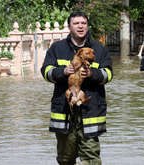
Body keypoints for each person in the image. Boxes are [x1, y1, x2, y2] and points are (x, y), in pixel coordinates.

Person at [41, 11, 113, 165]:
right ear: (69, 26)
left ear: (87, 26)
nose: (80, 26)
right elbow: (46, 72)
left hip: (90, 111)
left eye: (83, 23)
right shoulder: (57, 48)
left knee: (91, 159)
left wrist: (92, 74)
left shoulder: (99, 50)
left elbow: (108, 74)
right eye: (76, 23)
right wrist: (63, 72)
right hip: (64, 112)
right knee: (65, 159)